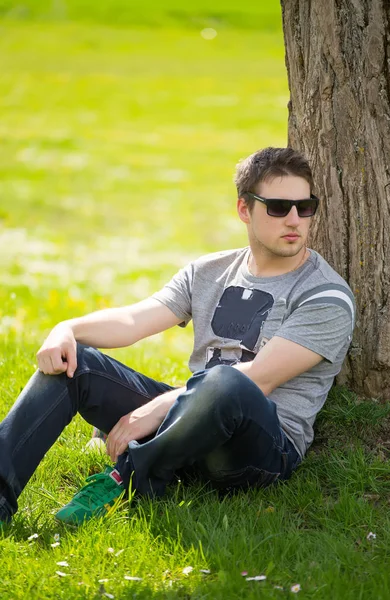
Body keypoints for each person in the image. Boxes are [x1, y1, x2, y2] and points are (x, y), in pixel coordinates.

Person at [0, 147, 355, 527]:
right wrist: (65, 329)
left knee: (226, 381)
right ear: (244, 210)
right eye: (278, 206)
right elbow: (134, 320)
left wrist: (156, 409)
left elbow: (258, 378)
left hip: (257, 451)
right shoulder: (210, 270)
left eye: (305, 207)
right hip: (189, 418)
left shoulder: (326, 297)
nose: (294, 220)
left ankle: (127, 477)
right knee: (76, 363)